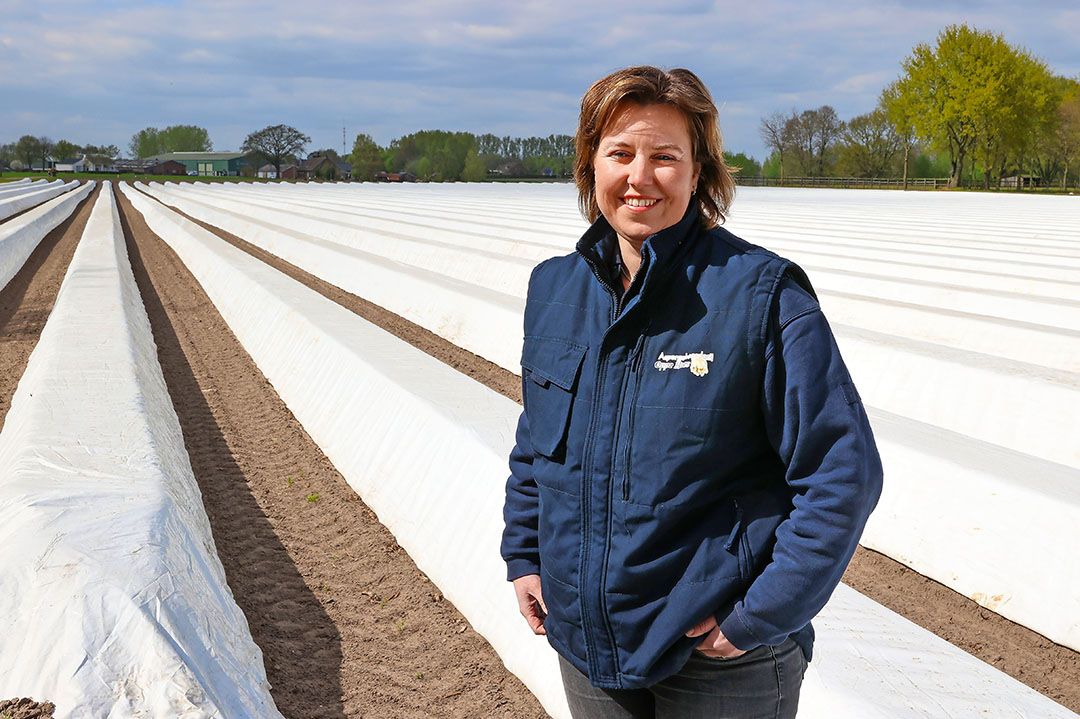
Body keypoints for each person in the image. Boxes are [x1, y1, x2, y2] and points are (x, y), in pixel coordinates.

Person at [501, 65, 883, 718]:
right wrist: (525, 552)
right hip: (587, 644)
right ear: (590, 164)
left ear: (699, 171)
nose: (639, 176)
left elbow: (842, 474)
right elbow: (538, 441)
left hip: (715, 659)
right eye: (619, 152)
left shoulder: (760, 296)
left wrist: (758, 613)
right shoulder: (555, 289)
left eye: (665, 157)